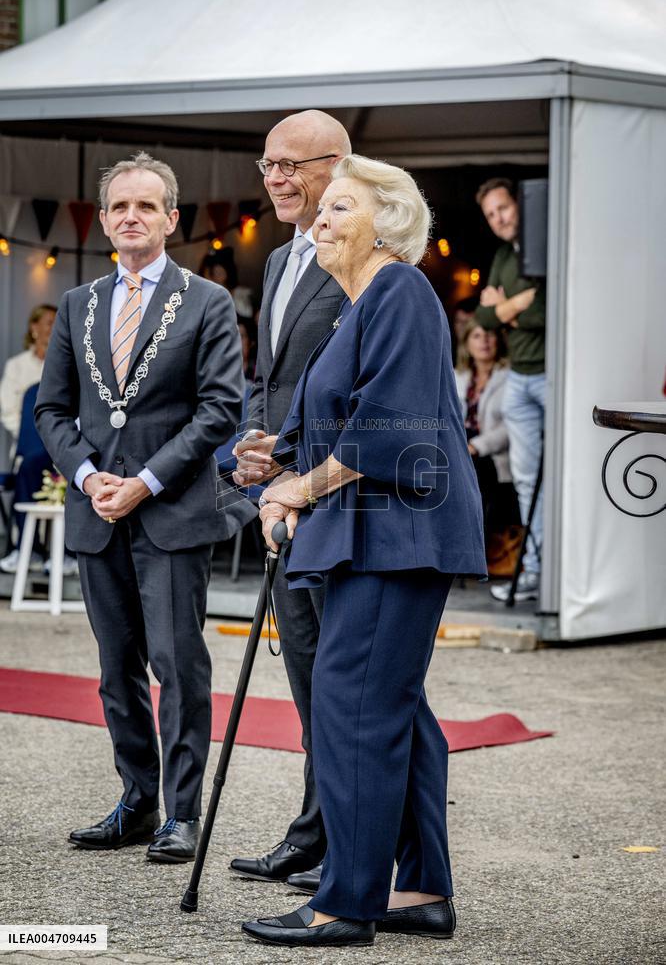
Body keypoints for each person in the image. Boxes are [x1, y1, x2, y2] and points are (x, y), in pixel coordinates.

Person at [241, 155, 486, 948]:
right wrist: (271, 459)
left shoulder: (400, 289)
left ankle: (345, 903)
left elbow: (387, 426)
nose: (320, 217)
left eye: (340, 206)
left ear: (387, 221)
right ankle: (419, 893)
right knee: (397, 715)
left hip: (397, 532)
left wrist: (295, 491)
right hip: (371, 532)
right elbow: (337, 420)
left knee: (352, 710)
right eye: (323, 207)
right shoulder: (357, 307)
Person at [35, 151, 253, 863]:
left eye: (146, 206)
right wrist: (90, 475)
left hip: (172, 510)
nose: (132, 216)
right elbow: (53, 409)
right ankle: (136, 801)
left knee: (177, 663)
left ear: (171, 219)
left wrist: (148, 481)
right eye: (120, 207)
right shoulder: (76, 304)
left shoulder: (207, 302)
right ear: (103, 221)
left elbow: (221, 408)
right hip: (98, 511)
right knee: (114, 668)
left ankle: (181, 814)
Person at [229, 110, 351, 888]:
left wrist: (298, 472)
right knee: (306, 678)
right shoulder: (278, 263)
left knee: (342, 687)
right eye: (267, 164)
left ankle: (349, 845)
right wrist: (251, 442)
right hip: (280, 495)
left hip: (338, 496)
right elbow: (270, 380)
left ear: (337, 167)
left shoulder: (369, 261)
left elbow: (355, 391)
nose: (275, 178)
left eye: (291, 165)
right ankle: (314, 832)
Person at [474, 178, 546, 602]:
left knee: (561, 476)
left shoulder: (548, 244)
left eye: (503, 208)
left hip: (553, 372)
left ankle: (557, 571)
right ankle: (533, 573)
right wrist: (514, 305)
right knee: (524, 478)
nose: (499, 219)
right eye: (490, 214)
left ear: (520, 205)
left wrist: (509, 308)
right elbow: (484, 316)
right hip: (520, 377)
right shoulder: (503, 255)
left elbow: (550, 309)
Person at [0, 305, 58, 574]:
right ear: (34, 327)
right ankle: (26, 549)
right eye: (48, 322)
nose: (52, 328)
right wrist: (30, 435)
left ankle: (64, 554)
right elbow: (7, 410)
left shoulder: (64, 365)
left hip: (60, 448)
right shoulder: (17, 366)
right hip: (28, 447)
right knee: (29, 466)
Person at [454, 319, 516, 540]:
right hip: (459, 449)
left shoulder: (512, 377)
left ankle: (474, 543)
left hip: (491, 454)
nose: (484, 342)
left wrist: (476, 447)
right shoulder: (456, 376)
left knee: (475, 471)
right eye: (477, 336)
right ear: (467, 343)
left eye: (489, 335)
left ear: (499, 341)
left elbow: (511, 427)